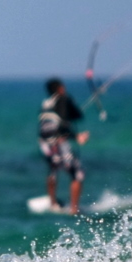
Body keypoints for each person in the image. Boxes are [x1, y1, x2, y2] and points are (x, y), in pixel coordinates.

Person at [37, 78, 89, 215]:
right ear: (61, 88)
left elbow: (50, 124)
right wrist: (77, 136)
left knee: (53, 170)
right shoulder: (64, 99)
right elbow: (64, 123)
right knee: (77, 173)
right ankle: (74, 209)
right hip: (58, 142)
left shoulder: (46, 103)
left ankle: (53, 204)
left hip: (44, 144)